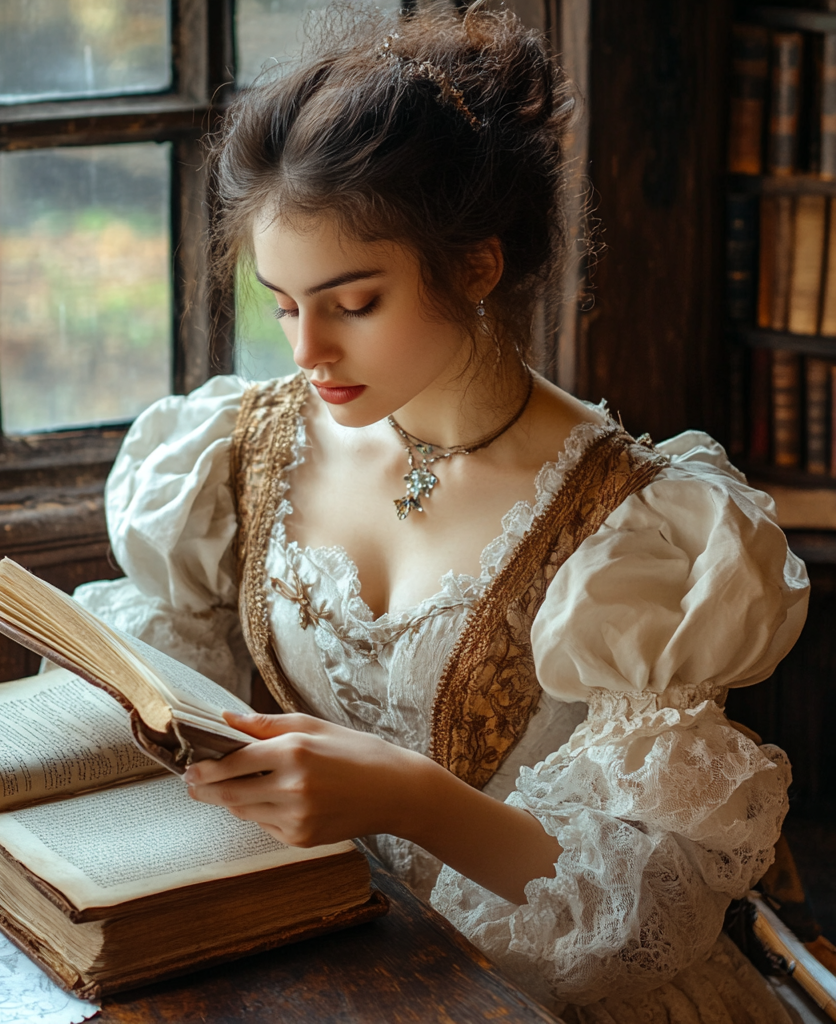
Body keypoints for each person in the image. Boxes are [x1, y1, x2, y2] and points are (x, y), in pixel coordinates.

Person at [73, 4, 811, 1021]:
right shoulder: (236, 450)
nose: (305, 351)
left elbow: (638, 919)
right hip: (311, 956)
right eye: (283, 304)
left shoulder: (644, 532)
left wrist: (405, 796)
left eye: (352, 302)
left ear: (476, 265)